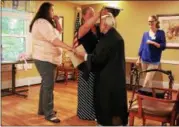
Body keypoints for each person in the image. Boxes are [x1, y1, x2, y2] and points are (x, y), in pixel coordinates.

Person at [75, 13, 128, 126]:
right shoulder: (112, 36)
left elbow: (99, 59)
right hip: (112, 76)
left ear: (105, 24)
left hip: (108, 78)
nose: (99, 26)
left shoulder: (110, 39)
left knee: (107, 104)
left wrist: (85, 55)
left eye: (101, 24)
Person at [29, 2, 73, 123]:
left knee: (45, 86)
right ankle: (49, 114)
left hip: (48, 59)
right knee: (48, 86)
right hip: (44, 59)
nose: (53, 12)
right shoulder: (42, 23)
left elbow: (59, 31)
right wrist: (68, 47)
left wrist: (57, 20)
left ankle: (42, 110)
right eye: (52, 10)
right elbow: (54, 40)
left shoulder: (48, 24)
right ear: (46, 11)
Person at [73, 7, 101, 121]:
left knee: (94, 90)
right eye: (90, 14)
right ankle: (85, 114)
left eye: (93, 14)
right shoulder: (82, 29)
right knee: (86, 90)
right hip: (85, 65)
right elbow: (87, 26)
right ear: (84, 16)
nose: (93, 16)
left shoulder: (96, 29)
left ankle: (93, 113)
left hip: (94, 63)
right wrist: (99, 14)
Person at [136, 15, 166, 88]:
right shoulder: (145, 34)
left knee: (146, 81)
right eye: (149, 21)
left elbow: (163, 46)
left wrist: (153, 43)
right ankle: (149, 97)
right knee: (148, 80)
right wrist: (138, 59)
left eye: (152, 21)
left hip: (154, 61)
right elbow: (142, 46)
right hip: (144, 60)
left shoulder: (161, 33)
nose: (150, 23)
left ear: (156, 21)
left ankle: (141, 95)